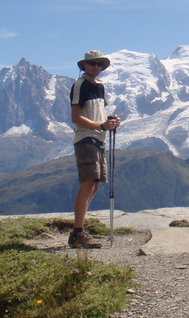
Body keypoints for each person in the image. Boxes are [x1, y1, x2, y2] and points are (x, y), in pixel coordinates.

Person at [68, 50, 120, 249]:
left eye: (99, 64)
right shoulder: (80, 85)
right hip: (87, 138)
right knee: (87, 182)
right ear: (85, 66)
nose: (96, 67)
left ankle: (79, 230)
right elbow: (76, 117)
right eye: (92, 64)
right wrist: (100, 126)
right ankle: (78, 232)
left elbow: (97, 114)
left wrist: (109, 122)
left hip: (98, 139)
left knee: (94, 185)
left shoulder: (99, 86)